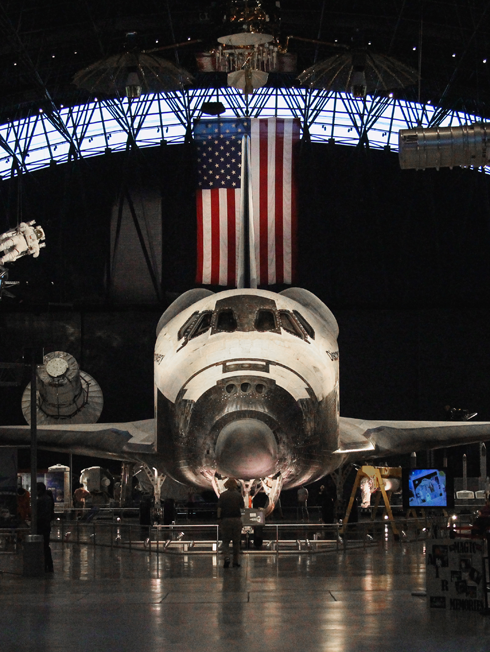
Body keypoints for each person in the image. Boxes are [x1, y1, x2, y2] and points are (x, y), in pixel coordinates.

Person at [217, 478, 244, 568]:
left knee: (225, 541)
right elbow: (242, 507)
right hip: (236, 520)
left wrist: (219, 518)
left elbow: (219, 508)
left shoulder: (223, 495)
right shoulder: (238, 495)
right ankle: (235, 561)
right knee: (236, 542)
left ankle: (227, 558)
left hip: (226, 520)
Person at [37, 482, 54, 572]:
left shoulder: (41, 500)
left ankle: (45, 565)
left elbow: (40, 514)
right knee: (46, 546)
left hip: (41, 525)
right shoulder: (48, 499)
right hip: (46, 525)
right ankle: (48, 565)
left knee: (43, 546)